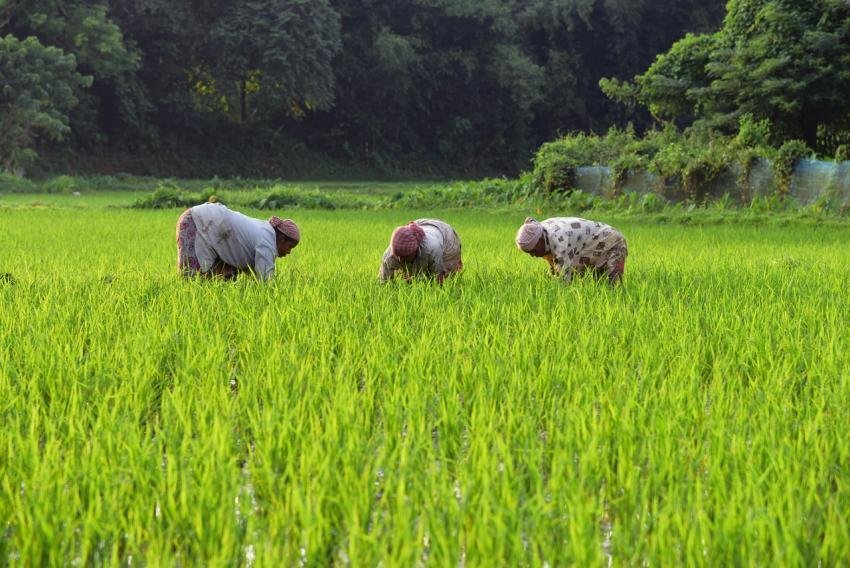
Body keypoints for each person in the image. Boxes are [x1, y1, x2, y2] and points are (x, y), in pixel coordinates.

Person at [176, 202, 300, 280]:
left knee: (227, 276)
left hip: (206, 222)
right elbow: (266, 282)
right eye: (289, 246)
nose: (289, 252)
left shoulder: (265, 231)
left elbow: (253, 274)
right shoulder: (267, 243)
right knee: (191, 279)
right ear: (282, 239)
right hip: (198, 222)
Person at [515, 216, 627, 284]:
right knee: (592, 283)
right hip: (591, 245)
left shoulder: (559, 241)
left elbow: (564, 282)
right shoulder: (539, 229)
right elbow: (554, 264)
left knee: (613, 286)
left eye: (533, 251)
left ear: (539, 241)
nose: (533, 256)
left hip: (613, 243)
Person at [379, 219, 462, 284]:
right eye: (397, 256)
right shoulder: (389, 256)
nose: (400, 260)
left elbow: (438, 277)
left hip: (445, 235)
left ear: (415, 250)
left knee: (446, 275)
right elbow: (384, 283)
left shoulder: (431, 248)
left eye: (404, 257)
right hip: (421, 224)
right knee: (411, 277)